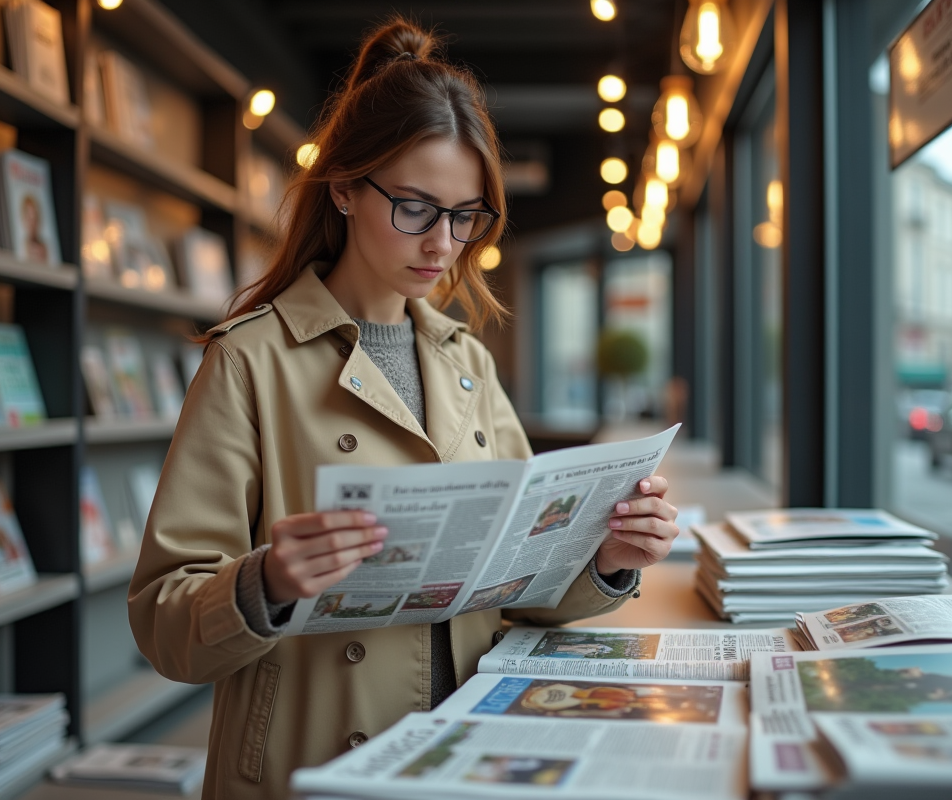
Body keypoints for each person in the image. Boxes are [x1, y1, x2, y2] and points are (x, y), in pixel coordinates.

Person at [128, 18, 679, 800]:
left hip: (469, 753)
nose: (443, 244)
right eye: (416, 208)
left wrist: (607, 559)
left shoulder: (467, 360)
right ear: (345, 187)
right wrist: (269, 580)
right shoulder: (248, 360)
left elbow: (524, 582)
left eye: (466, 216)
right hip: (313, 761)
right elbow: (163, 623)